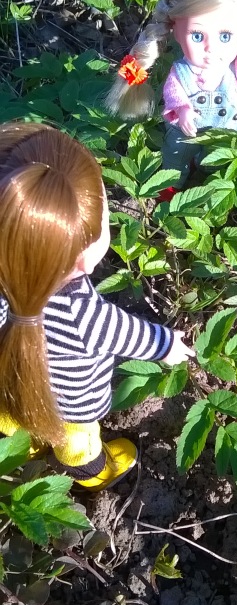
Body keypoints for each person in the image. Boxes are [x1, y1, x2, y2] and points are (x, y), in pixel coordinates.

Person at [0, 122, 194, 490]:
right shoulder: (80, 312)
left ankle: (17, 451)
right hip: (70, 404)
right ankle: (92, 474)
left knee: (9, 418)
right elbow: (126, 334)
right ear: (85, 260)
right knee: (77, 443)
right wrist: (166, 345)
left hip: (7, 384)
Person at [106, 0, 237, 195]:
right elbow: (173, 92)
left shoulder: (235, 69)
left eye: (225, 36)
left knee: (216, 163)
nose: (211, 48)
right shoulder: (181, 72)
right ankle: (169, 191)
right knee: (174, 160)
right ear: (175, 30)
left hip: (222, 136)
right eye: (197, 35)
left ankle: (212, 188)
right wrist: (183, 109)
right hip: (183, 135)